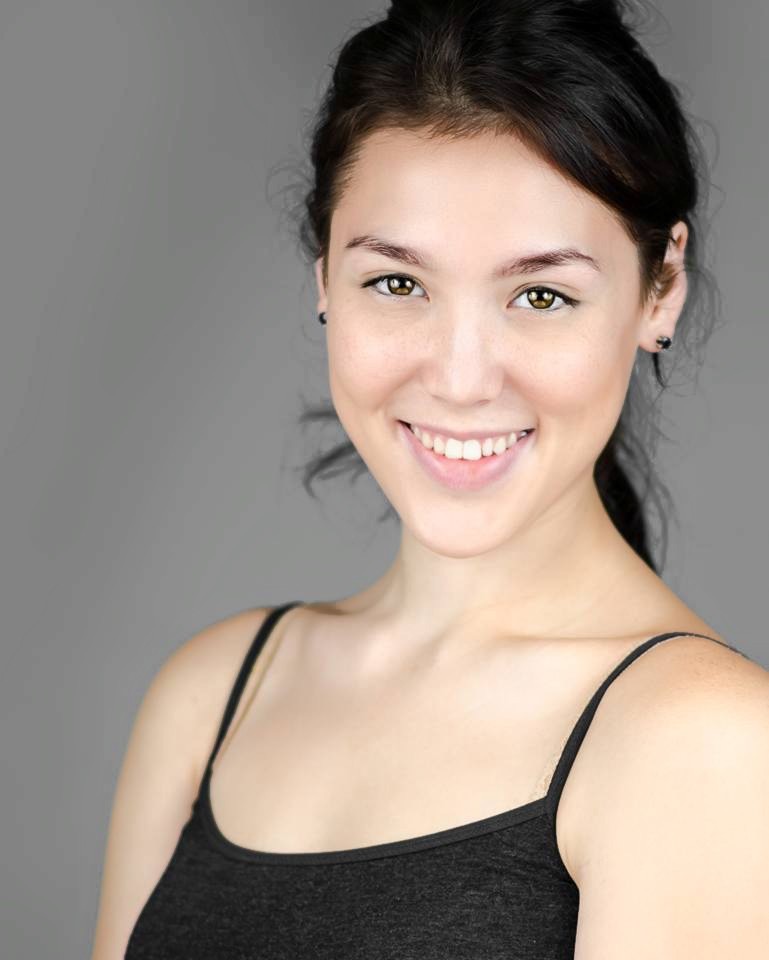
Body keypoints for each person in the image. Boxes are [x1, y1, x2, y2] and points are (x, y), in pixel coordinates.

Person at [91, 1, 769, 957]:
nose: (458, 378)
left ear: (660, 290)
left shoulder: (703, 741)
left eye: (541, 294)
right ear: (323, 278)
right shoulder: (212, 695)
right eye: (397, 283)